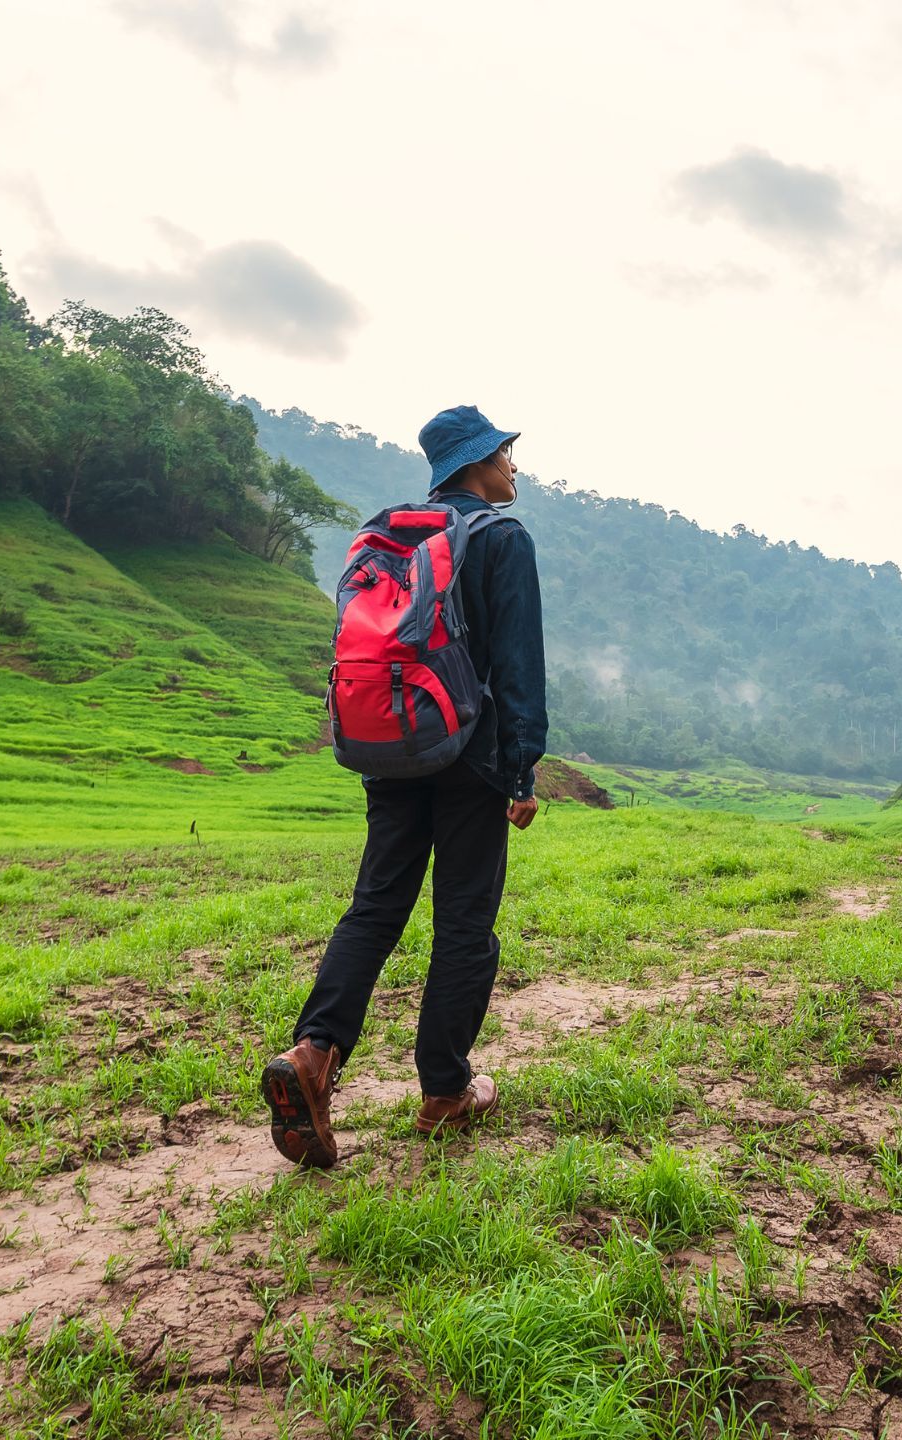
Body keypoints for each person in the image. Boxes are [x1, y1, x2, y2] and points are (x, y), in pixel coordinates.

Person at [259, 404, 547, 1168]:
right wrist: (523, 767)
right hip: (470, 752)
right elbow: (518, 665)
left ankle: (315, 1054)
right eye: (505, 453)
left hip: (391, 740)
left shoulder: (392, 532)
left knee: (377, 904)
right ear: (476, 466)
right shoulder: (500, 538)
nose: (513, 466)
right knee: (463, 922)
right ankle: (445, 1091)